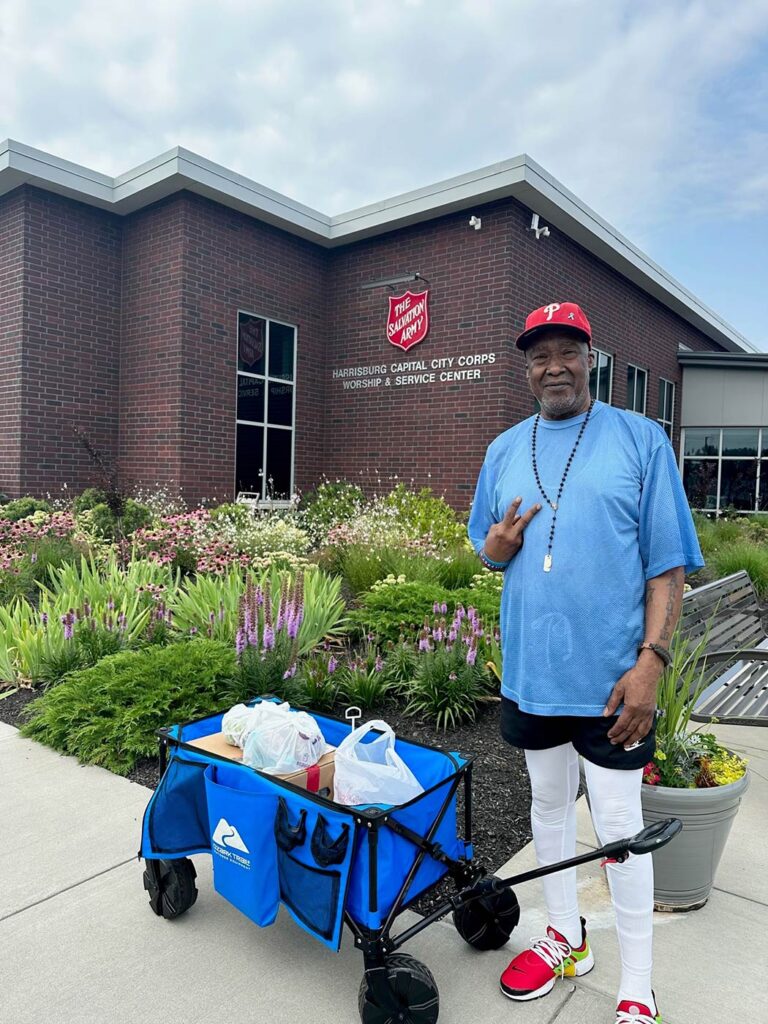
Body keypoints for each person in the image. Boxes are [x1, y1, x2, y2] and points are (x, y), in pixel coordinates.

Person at [468, 301, 703, 1024]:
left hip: (612, 684)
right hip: (534, 675)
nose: (553, 366)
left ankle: (638, 982)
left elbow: (667, 569)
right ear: (525, 368)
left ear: (591, 357)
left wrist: (651, 667)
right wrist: (497, 549)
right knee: (545, 807)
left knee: (620, 827)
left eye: (567, 350)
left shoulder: (639, 440)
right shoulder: (505, 447)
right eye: (539, 355)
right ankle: (565, 935)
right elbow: (486, 546)